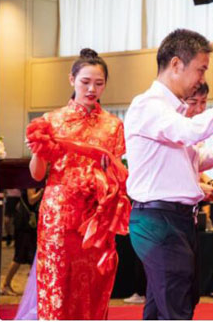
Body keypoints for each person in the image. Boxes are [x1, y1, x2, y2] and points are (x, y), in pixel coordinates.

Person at [125, 28, 213, 320]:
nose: (201, 79)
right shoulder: (148, 105)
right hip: (160, 218)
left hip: (175, 219)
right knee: (176, 307)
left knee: (164, 305)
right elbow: (188, 132)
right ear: (176, 64)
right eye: (201, 69)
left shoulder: (172, 112)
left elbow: (192, 159)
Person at [26, 48, 128, 319]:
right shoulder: (50, 121)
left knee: (93, 285)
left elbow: (118, 175)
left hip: (96, 216)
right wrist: (38, 150)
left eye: (99, 83)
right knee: (57, 283)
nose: (92, 89)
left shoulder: (113, 125)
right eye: (85, 82)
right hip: (59, 216)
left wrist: (108, 172)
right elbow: (37, 175)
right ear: (71, 80)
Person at [1, 188, 43, 296]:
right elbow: (31, 200)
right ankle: (6, 285)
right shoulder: (31, 183)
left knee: (32, 257)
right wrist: (43, 190)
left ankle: (34, 287)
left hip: (29, 225)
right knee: (19, 257)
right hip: (24, 225)